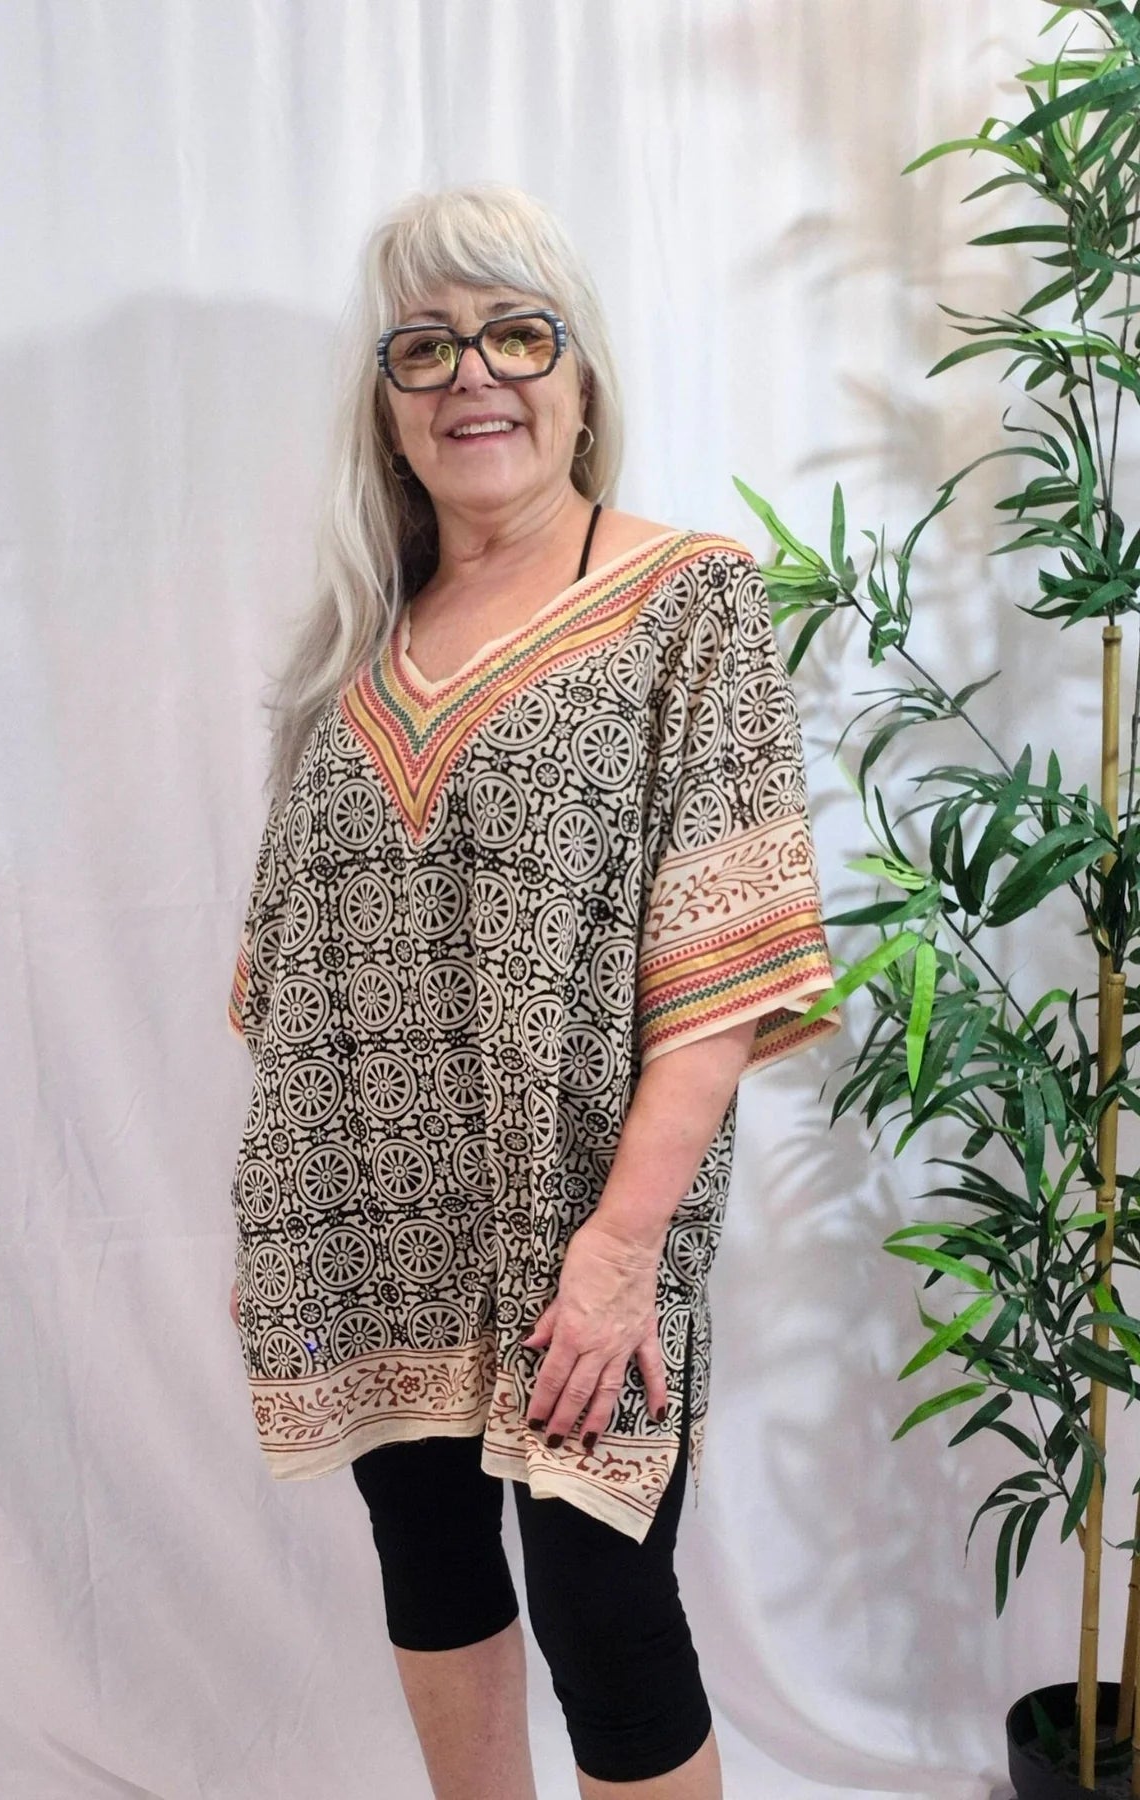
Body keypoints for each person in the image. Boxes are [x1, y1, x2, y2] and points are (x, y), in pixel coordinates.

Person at [224, 182, 842, 1799]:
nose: (473, 377)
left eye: (516, 334)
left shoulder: (687, 600)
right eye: (424, 348)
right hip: (371, 1226)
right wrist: (282, 1223)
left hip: (585, 1232)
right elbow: (299, 983)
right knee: (429, 1569)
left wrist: (622, 1252)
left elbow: (723, 970)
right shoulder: (355, 651)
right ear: (386, 403)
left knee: (607, 1619)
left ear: (581, 378)